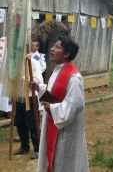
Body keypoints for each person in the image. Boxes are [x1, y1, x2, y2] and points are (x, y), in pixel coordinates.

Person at [32, 35, 89, 172]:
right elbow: (54, 93)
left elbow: (75, 105)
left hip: (64, 129)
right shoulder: (57, 70)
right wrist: (39, 87)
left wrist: (52, 108)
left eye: (57, 47)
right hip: (53, 121)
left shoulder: (73, 77)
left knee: (63, 161)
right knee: (52, 159)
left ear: (67, 53)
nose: (51, 49)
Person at [13, 56, 43, 160]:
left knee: (33, 123)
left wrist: (23, 77)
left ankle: (38, 148)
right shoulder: (15, 62)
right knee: (20, 122)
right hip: (19, 97)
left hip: (30, 97)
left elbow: (38, 80)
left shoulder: (33, 62)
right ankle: (24, 146)